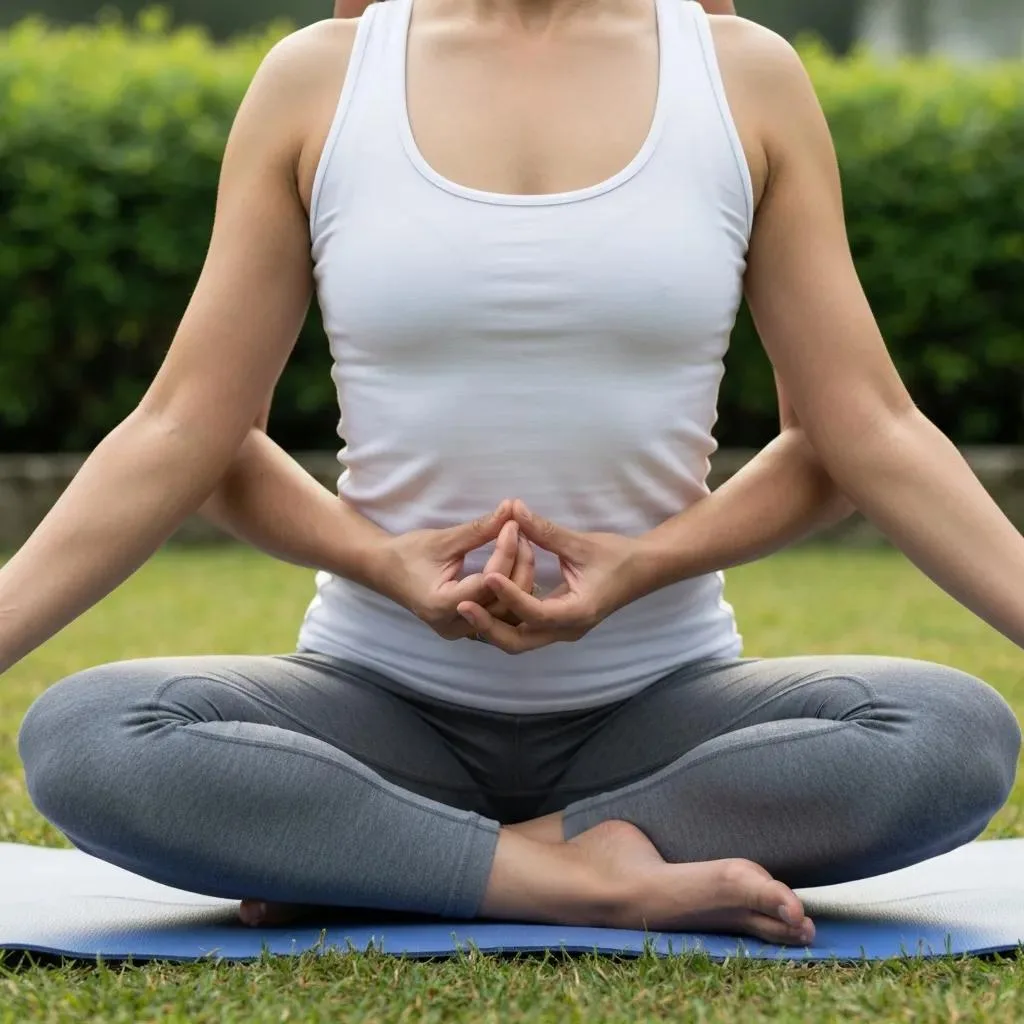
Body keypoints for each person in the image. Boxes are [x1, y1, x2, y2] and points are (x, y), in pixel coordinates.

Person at [7, 0, 1023, 949]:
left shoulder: (742, 77)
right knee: (89, 735)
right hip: (374, 705)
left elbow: (860, 437)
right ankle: (583, 877)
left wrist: (640, 564)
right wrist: (380, 559)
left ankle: (383, 853)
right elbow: (193, 432)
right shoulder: (318, 79)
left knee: (948, 737)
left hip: (662, 718)